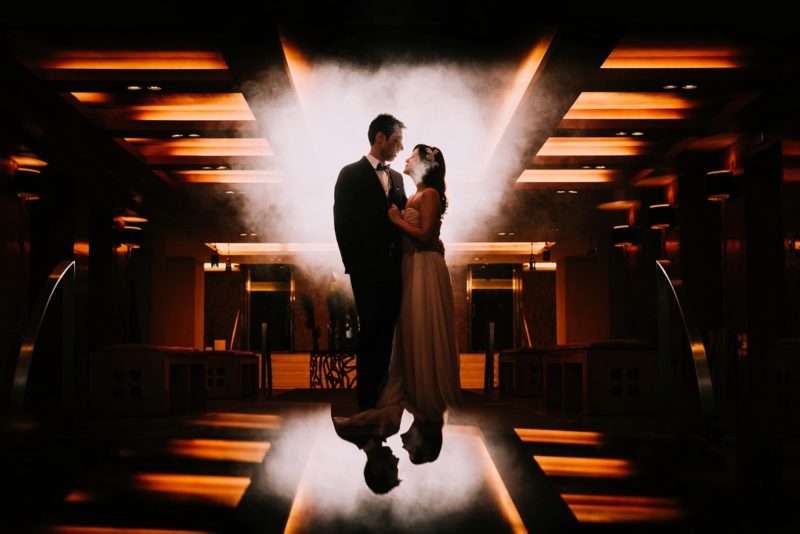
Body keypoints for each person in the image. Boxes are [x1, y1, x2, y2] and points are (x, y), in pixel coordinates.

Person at [382, 143, 460, 428]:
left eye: (413, 155)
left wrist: (396, 220)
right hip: (412, 264)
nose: (407, 158)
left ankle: (427, 393)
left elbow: (426, 235)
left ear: (426, 165)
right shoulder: (415, 194)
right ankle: (413, 388)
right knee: (411, 327)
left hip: (424, 265)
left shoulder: (429, 195)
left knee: (422, 325)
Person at [333, 113, 407, 412]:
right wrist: (354, 264)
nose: (400, 147)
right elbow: (341, 223)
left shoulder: (399, 178)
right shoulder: (349, 174)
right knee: (370, 329)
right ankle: (366, 400)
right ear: (380, 138)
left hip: (396, 269)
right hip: (366, 269)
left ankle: (382, 395)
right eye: (396, 141)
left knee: (388, 332)